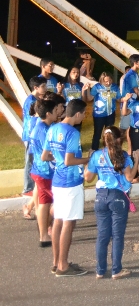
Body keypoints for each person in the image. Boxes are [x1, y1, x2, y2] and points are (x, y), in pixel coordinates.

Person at [41, 99, 89, 276]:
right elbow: (69, 161)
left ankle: (57, 262)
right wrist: (88, 159)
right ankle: (63, 266)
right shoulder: (72, 133)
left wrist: (59, 159)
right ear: (77, 114)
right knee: (68, 223)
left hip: (57, 181)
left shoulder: (53, 128)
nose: (84, 117)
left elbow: (45, 156)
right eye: (84, 114)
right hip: (71, 183)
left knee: (58, 221)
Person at [84, 125, 139, 279]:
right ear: (119, 140)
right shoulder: (123, 156)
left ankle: (100, 270)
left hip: (101, 197)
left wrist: (89, 160)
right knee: (117, 235)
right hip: (118, 196)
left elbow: (88, 177)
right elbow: (129, 177)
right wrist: (136, 161)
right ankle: (116, 270)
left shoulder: (97, 155)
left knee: (102, 235)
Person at [29, 96, 64, 246]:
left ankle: (44, 235)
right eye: (55, 110)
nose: (58, 112)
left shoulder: (40, 126)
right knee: (59, 201)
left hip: (39, 171)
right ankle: (50, 230)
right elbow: (47, 153)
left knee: (44, 202)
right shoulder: (44, 130)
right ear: (48, 114)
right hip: (46, 172)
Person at [21, 76, 47, 217]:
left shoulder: (35, 100)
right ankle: (28, 188)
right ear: (36, 87)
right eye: (43, 86)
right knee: (30, 162)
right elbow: (31, 120)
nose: (45, 88)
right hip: (31, 136)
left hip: (34, 136)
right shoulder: (31, 101)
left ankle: (30, 204)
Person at [90, 72, 120, 151]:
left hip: (110, 114)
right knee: (97, 133)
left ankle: (108, 150)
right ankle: (94, 150)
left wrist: (125, 97)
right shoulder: (97, 87)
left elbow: (119, 99)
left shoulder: (115, 87)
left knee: (109, 133)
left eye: (110, 80)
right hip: (99, 115)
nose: (108, 83)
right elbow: (89, 98)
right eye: (106, 81)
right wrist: (85, 90)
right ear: (101, 81)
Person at [119, 54, 139, 138]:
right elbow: (136, 91)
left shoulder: (135, 73)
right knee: (124, 128)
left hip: (133, 104)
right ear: (135, 63)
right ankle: (115, 143)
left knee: (131, 128)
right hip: (128, 104)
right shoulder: (131, 75)